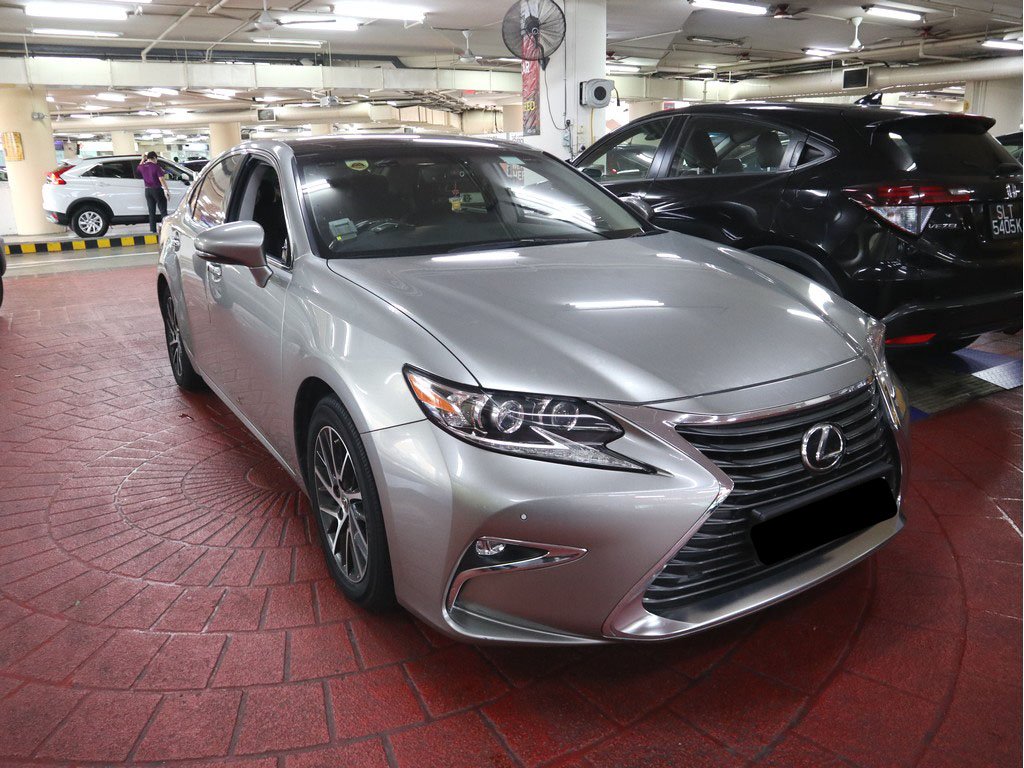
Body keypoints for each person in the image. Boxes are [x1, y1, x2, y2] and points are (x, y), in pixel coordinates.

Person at [138, 151, 170, 233]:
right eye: (156, 159)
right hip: (157, 190)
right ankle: (166, 230)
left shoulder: (142, 167)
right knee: (163, 211)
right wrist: (166, 190)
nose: (157, 161)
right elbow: (161, 179)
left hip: (147, 191)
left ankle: (152, 230)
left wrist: (142, 159)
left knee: (151, 212)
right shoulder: (156, 167)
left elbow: (139, 167)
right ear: (154, 158)